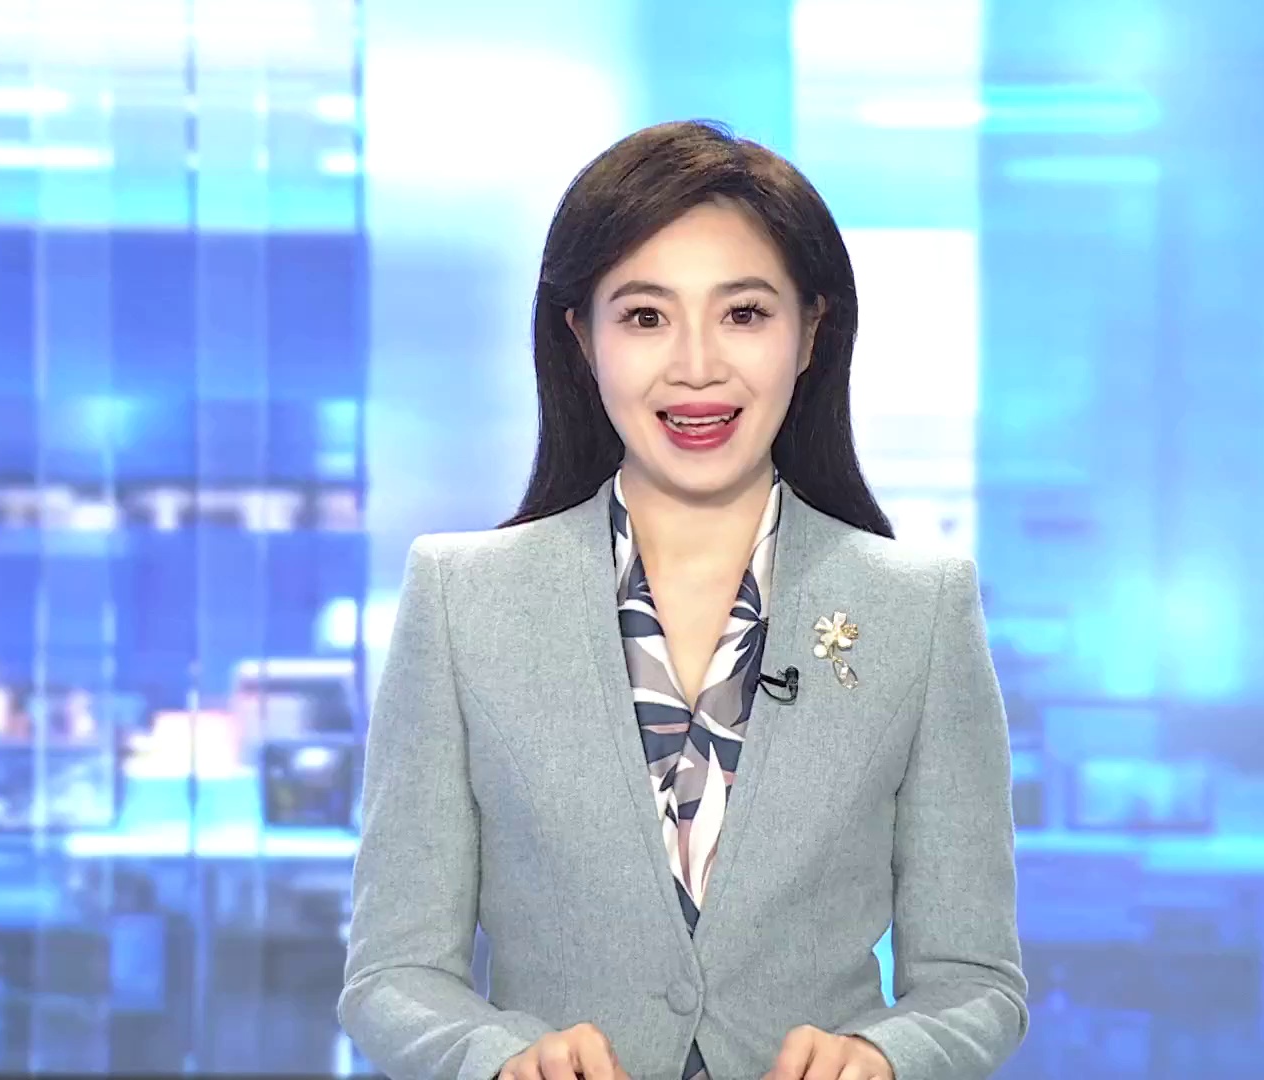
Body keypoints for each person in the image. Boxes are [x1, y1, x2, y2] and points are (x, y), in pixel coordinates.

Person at [338, 120, 1027, 1080]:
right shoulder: (462, 600)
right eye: (645, 317)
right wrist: (498, 1058)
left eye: (743, 313)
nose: (697, 366)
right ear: (581, 337)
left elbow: (977, 980)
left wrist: (882, 1055)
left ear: (810, 331)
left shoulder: (922, 610)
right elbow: (393, 973)